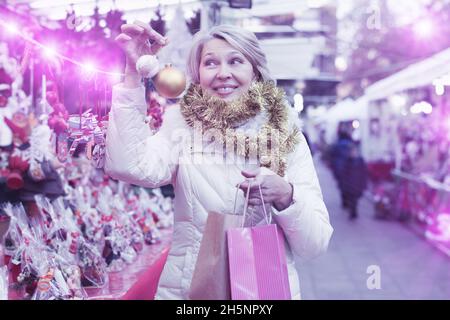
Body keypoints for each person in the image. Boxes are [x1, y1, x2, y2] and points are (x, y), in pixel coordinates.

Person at [105, 21, 333, 300]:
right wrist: (132, 75)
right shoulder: (183, 125)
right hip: (189, 291)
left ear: (255, 71)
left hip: (262, 293)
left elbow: (316, 243)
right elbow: (129, 165)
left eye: (236, 61)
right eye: (211, 63)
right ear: (198, 75)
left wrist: (287, 195)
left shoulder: (284, 132)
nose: (223, 73)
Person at [340, 144, 368, 219]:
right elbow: (344, 172)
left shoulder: (360, 161)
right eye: (351, 152)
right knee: (351, 198)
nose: (353, 153)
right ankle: (353, 212)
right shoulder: (348, 161)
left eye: (354, 151)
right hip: (350, 183)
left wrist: (364, 183)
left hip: (357, 183)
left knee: (355, 198)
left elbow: (364, 173)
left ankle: (354, 211)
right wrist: (344, 183)